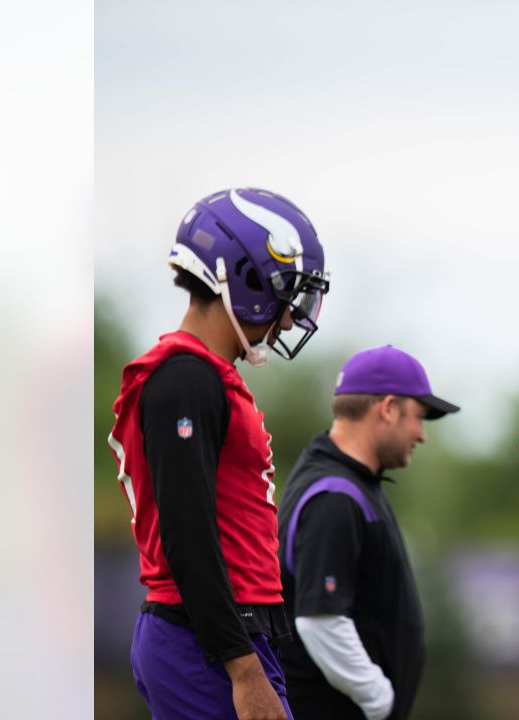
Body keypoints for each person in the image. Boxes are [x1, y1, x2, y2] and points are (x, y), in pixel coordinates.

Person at [108, 188, 330, 719]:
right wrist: (242, 666)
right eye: (288, 295)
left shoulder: (203, 376)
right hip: (208, 640)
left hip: (220, 634)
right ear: (250, 278)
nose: (291, 318)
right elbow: (187, 532)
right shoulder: (184, 379)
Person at [277, 345, 460, 720]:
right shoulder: (334, 495)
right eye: (419, 417)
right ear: (389, 408)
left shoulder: (347, 482)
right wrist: (379, 701)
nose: (421, 434)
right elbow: (320, 620)